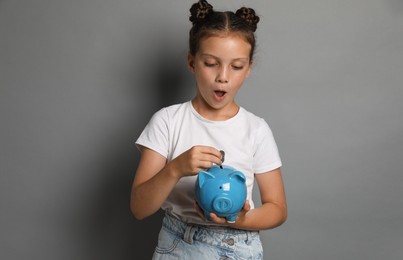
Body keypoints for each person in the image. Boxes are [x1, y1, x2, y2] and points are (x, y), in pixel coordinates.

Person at [131, 0, 287, 259]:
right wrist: (176, 168)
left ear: (248, 69)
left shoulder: (256, 129)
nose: (223, 76)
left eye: (236, 66)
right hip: (178, 244)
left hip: (239, 246)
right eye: (211, 63)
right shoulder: (168, 121)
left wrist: (236, 220)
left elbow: (278, 208)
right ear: (191, 62)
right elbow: (139, 207)